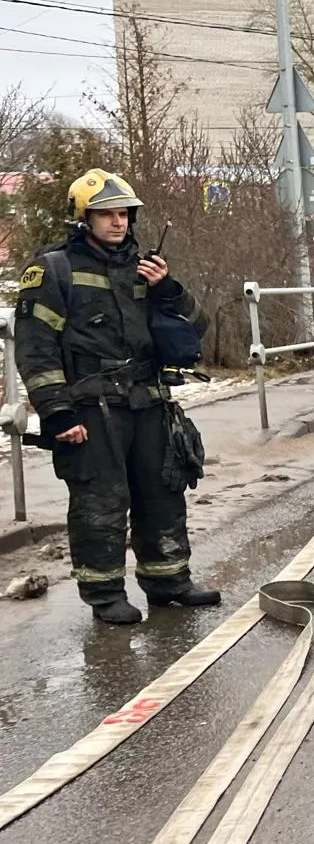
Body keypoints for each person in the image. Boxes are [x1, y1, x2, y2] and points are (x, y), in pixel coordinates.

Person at [14, 169, 221, 625]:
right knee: (100, 500)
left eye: (123, 213)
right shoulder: (53, 269)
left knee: (163, 492)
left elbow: (198, 325)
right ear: (83, 217)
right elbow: (35, 347)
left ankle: (169, 581)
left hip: (149, 401)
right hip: (91, 407)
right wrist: (55, 411)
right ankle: (105, 593)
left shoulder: (146, 268)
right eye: (106, 214)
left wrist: (169, 289)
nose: (118, 222)